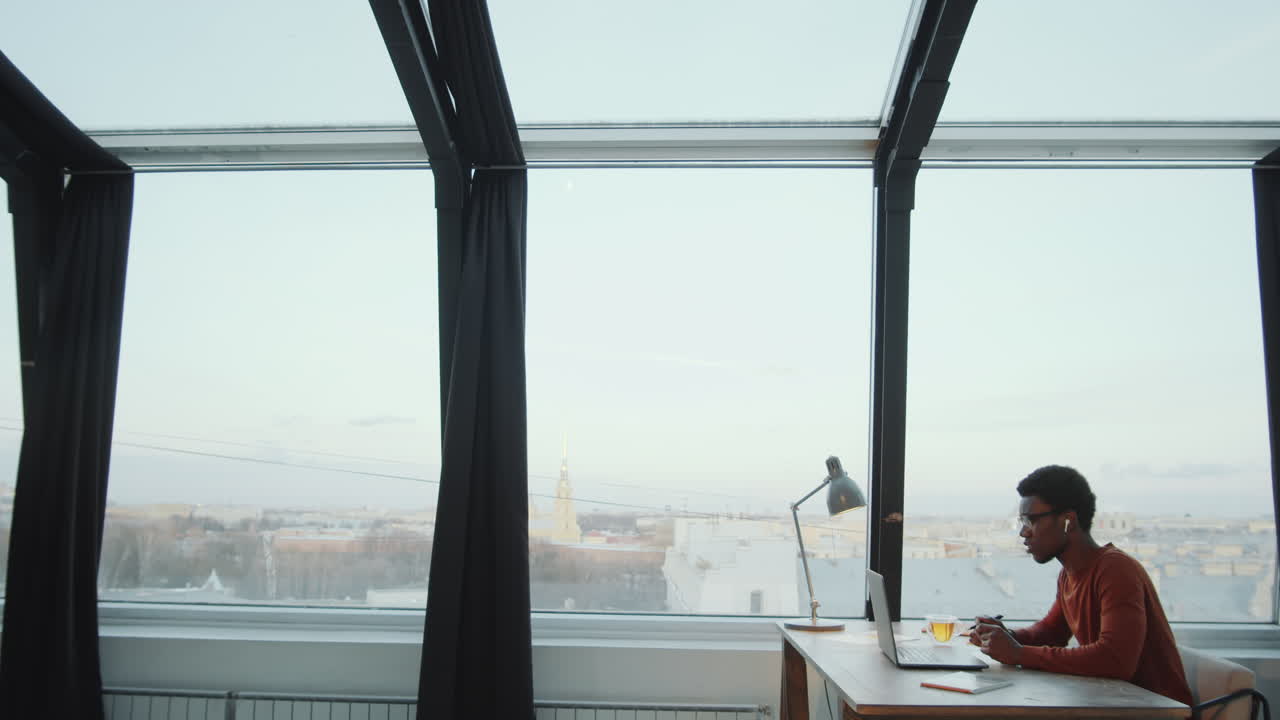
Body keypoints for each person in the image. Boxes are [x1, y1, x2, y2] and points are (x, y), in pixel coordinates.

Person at [971, 465, 1192, 706]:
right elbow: (1052, 633)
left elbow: (1115, 660)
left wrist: (1017, 653)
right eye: (1021, 521)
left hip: (1155, 710)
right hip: (1118, 704)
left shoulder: (1115, 570)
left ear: (1068, 521)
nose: (1024, 532)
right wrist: (1006, 637)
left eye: (1031, 520)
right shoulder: (1070, 574)